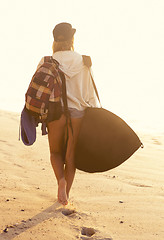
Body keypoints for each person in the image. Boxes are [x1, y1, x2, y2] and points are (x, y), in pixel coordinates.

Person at [38, 22, 98, 205]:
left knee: (55, 152)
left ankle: (60, 182)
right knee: (70, 155)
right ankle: (65, 195)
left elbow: (39, 89)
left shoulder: (47, 60)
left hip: (55, 113)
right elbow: (90, 94)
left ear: (55, 40)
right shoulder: (85, 61)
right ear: (72, 39)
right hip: (78, 113)